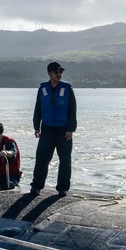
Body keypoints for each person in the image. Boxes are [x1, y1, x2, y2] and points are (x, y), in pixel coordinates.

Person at [30, 61, 77, 197]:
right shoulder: (43, 88)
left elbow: (72, 110)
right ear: (49, 73)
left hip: (63, 130)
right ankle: (36, 186)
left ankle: (62, 187)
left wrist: (70, 129)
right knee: (42, 158)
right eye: (56, 72)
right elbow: (38, 108)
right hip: (47, 129)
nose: (59, 74)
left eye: (61, 72)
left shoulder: (67, 88)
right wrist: (36, 126)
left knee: (65, 159)